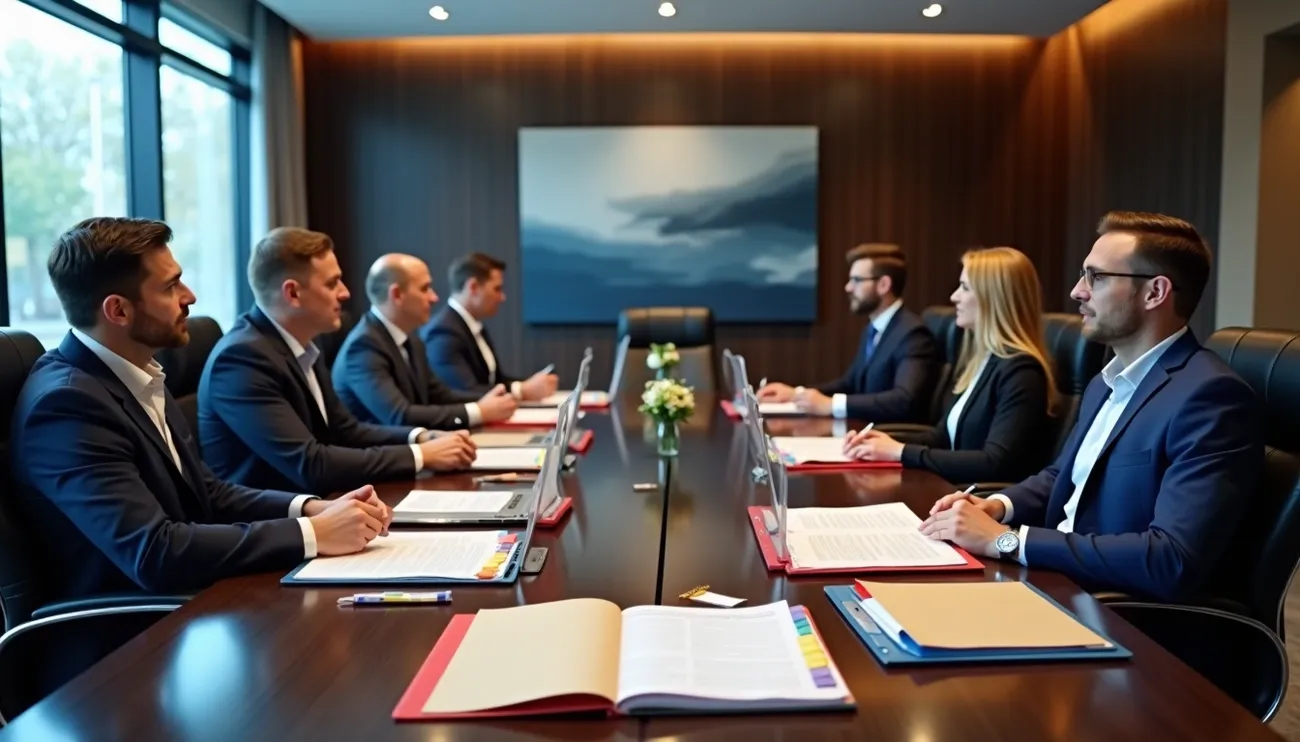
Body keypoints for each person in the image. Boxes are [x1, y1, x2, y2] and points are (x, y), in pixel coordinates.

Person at [11, 217, 393, 601]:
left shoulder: (137, 374)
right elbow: (154, 552)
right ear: (119, 311)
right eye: (170, 286)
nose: (189, 296)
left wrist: (311, 509)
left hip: (194, 598)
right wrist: (313, 535)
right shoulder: (66, 406)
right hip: (127, 636)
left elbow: (207, 492)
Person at [919, 211, 1261, 602]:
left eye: (1096, 277)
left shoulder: (1210, 398)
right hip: (1057, 582)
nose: (1077, 292)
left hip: (1115, 616)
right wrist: (997, 506)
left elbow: (1172, 558)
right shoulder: (1105, 382)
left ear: (1155, 293)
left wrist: (1009, 541)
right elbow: (1064, 475)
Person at [199, 227, 476, 494]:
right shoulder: (241, 359)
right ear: (293, 293)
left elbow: (346, 430)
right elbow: (310, 463)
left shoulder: (301, 343)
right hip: (273, 526)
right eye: (332, 283)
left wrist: (420, 437)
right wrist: (420, 455)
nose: (345, 293)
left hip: (324, 506)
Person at [841, 246, 1055, 484]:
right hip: (949, 492)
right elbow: (943, 435)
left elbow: (995, 464)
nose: (954, 297)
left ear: (993, 298)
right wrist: (885, 441)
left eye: (964, 287)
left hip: (973, 506)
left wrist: (901, 452)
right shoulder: (982, 359)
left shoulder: (1021, 372)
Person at [333, 254, 518, 430]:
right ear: (397, 294)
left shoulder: (412, 340)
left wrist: (490, 401)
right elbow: (399, 415)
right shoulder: (363, 348)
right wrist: (478, 411)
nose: (434, 297)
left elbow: (440, 395)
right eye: (425, 288)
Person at [757, 243, 937, 423]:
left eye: (857, 280)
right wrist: (796, 394)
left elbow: (904, 400)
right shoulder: (873, 329)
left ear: (883, 284)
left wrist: (831, 404)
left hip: (888, 440)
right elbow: (850, 384)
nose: (848, 288)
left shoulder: (913, 334)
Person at [420, 252, 558, 400]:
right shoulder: (443, 332)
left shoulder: (473, 325)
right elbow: (465, 390)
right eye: (497, 289)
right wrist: (522, 391)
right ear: (472, 287)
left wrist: (529, 385)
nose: (502, 297)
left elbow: (495, 380)